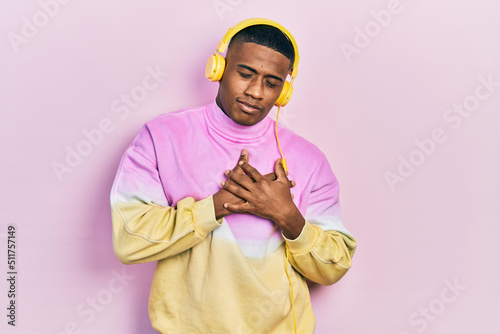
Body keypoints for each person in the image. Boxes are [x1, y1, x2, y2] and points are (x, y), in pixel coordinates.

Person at [110, 18, 357, 334]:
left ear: (284, 92)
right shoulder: (161, 137)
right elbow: (129, 240)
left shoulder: (309, 159)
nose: (256, 92)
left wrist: (287, 216)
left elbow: (332, 268)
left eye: (271, 83)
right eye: (245, 74)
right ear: (219, 68)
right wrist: (217, 205)